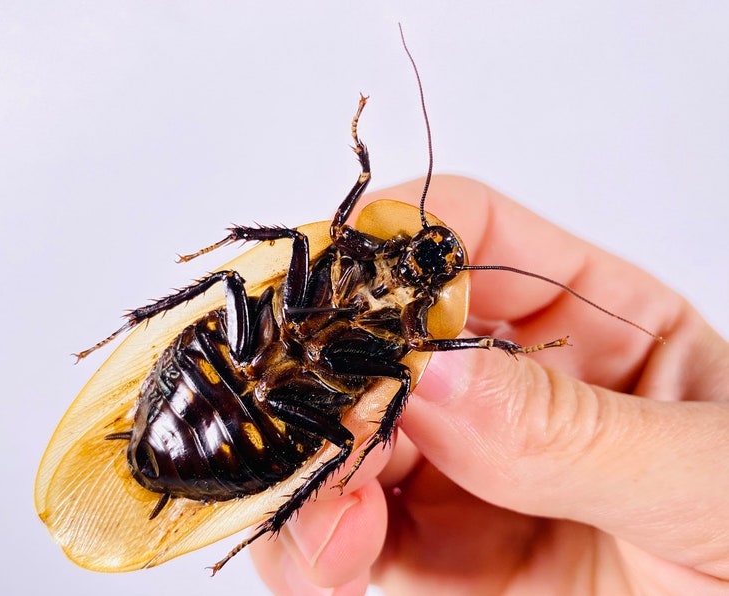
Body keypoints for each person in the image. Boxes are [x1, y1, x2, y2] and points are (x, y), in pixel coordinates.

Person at [248, 175, 729, 595]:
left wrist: (500, 353)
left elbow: (416, 350)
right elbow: (331, 235)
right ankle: (271, 517)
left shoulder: (415, 333)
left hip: (295, 398)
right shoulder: (354, 259)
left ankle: (269, 519)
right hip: (254, 355)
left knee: (368, 416)